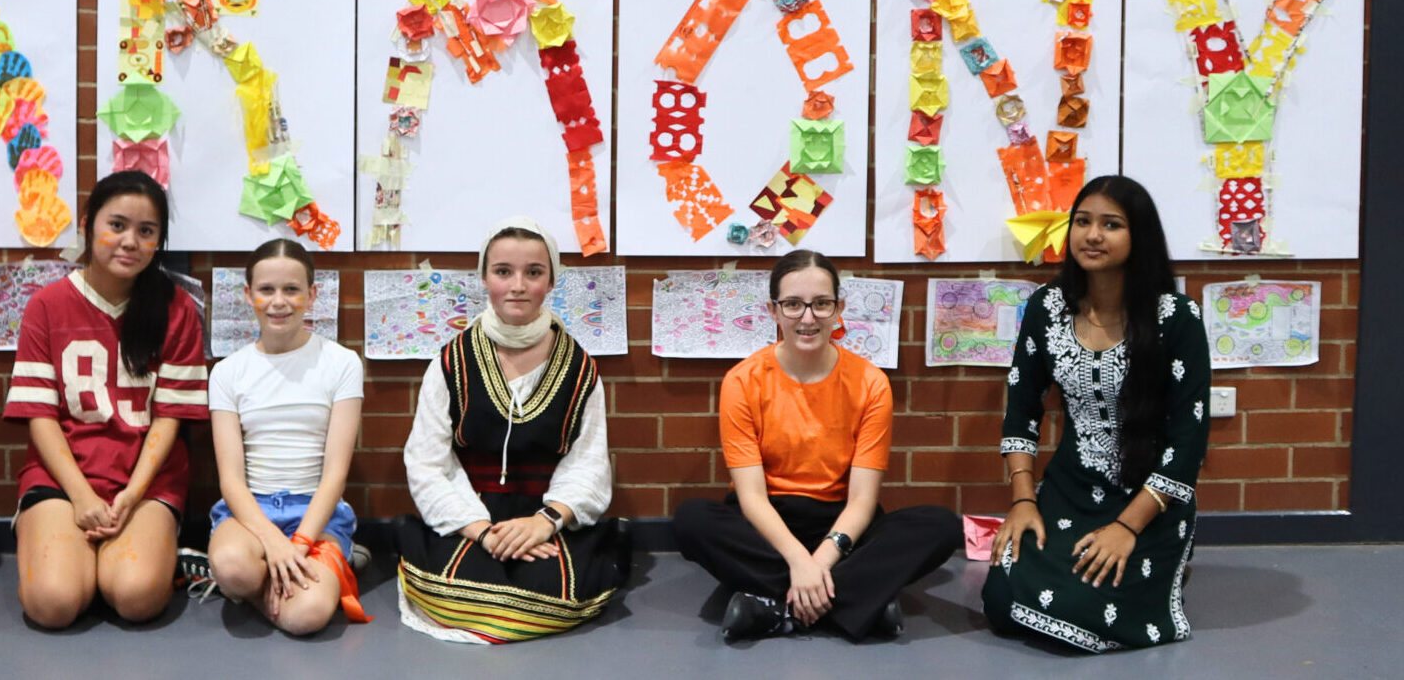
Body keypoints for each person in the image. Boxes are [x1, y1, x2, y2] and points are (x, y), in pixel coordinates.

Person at [673, 249, 961, 643]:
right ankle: (856, 603)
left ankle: (776, 608)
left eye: (821, 304)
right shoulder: (742, 381)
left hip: (841, 526)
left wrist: (820, 560)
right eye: (793, 304)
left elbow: (862, 500)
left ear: (838, 309)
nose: (807, 318)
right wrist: (797, 560)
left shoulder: (871, 383)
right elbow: (751, 497)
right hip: (767, 525)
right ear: (773, 311)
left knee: (941, 526)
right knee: (691, 520)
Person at [983, 175, 1210, 651]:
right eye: (1082, 222)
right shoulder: (1047, 308)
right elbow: (1022, 410)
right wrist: (1023, 502)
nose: (1092, 235)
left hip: (1150, 501)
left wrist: (1126, 528)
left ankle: (1162, 567)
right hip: (1068, 492)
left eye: (1111, 225)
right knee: (1001, 600)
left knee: (1078, 614)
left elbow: (1188, 439)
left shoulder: (1176, 318)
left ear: (1139, 236)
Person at [396, 217, 627, 644]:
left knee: (557, 594)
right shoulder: (451, 362)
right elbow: (427, 463)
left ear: (551, 281)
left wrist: (545, 522)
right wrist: (482, 531)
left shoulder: (580, 368)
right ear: (484, 278)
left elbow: (589, 463)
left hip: (544, 516)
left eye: (533, 272)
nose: (518, 285)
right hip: (469, 512)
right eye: (503, 271)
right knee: (454, 588)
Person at [3, 171, 208, 628]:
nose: (130, 241)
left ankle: (143, 553)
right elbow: (40, 416)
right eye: (116, 225)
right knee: (53, 604)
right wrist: (80, 496)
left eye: (146, 231)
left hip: (144, 482)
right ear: (87, 225)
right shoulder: (46, 306)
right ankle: (65, 550)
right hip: (63, 478)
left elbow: (170, 418)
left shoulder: (176, 309)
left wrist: (132, 495)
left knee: (136, 598)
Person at [205, 239, 369, 635]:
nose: (279, 302)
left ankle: (265, 584)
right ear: (249, 295)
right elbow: (231, 480)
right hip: (250, 513)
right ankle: (250, 577)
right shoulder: (227, 373)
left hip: (316, 512)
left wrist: (298, 544)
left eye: (292, 289)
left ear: (312, 295)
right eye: (267, 290)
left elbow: (335, 475)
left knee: (307, 616)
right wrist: (274, 543)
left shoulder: (342, 363)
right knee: (232, 567)